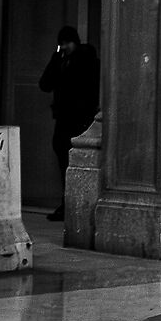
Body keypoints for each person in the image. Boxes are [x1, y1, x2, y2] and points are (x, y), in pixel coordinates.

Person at [37, 23, 100, 225]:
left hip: (78, 120)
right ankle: (67, 204)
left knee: (73, 162)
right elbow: (45, 84)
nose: (63, 47)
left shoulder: (85, 61)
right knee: (63, 160)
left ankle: (74, 205)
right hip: (65, 119)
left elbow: (86, 90)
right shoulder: (62, 62)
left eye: (66, 43)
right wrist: (56, 57)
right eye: (61, 44)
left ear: (75, 42)